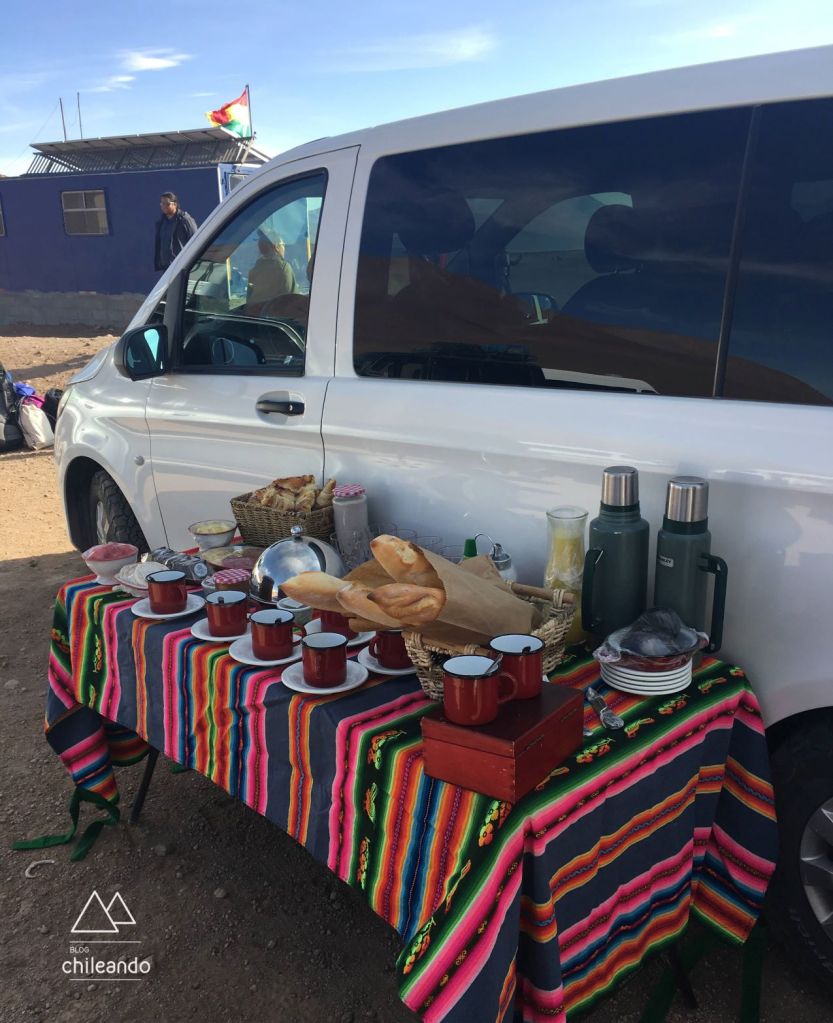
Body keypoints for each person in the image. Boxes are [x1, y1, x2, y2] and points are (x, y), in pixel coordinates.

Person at [246, 233, 298, 311]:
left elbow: (249, 299)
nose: (284, 248)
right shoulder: (283, 267)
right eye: (283, 244)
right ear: (276, 246)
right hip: (275, 316)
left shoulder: (255, 269)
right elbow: (293, 299)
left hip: (255, 314)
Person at [154, 193, 198, 271]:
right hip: (166, 267)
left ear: (175, 204)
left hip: (182, 266)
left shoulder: (185, 220)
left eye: (167, 204)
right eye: (162, 203)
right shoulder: (161, 223)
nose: (164, 206)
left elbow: (196, 240)